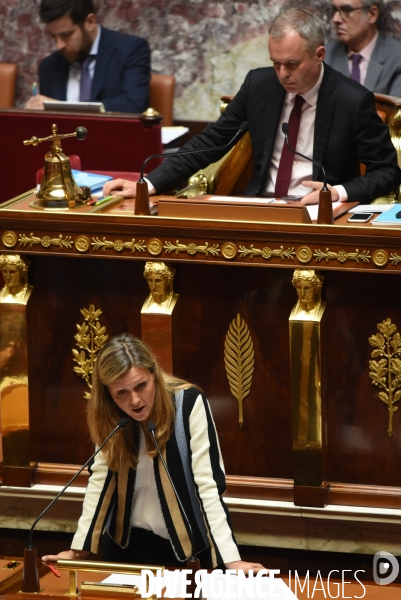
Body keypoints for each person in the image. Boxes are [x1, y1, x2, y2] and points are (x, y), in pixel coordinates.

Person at [104, 8, 400, 206]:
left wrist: (337, 192)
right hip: (259, 207)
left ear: (319, 54)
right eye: (276, 63)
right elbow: (211, 142)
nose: (283, 74)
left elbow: (387, 170)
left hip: (318, 216)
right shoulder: (259, 85)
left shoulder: (352, 100)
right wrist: (148, 183)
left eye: (292, 64)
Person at [42, 334, 265, 572]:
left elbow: (207, 486)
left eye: (141, 386)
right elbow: (100, 482)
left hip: (186, 549)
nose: (135, 400)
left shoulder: (188, 403)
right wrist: (78, 550)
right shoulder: (109, 416)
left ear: (154, 376)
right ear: (108, 394)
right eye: (122, 393)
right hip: (124, 549)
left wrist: (232, 560)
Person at [25, 0, 150, 113]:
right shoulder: (49, 66)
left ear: (90, 22)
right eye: (53, 36)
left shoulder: (130, 50)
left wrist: (62, 107)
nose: (59, 45)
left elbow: (132, 105)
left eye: (67, 35)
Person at [325, 0, 401, 97]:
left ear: (372, 14)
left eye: (347, 10)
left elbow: (396, 110)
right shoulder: (324, 56)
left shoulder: (396, 58)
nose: (335, 19)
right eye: (335, 10)